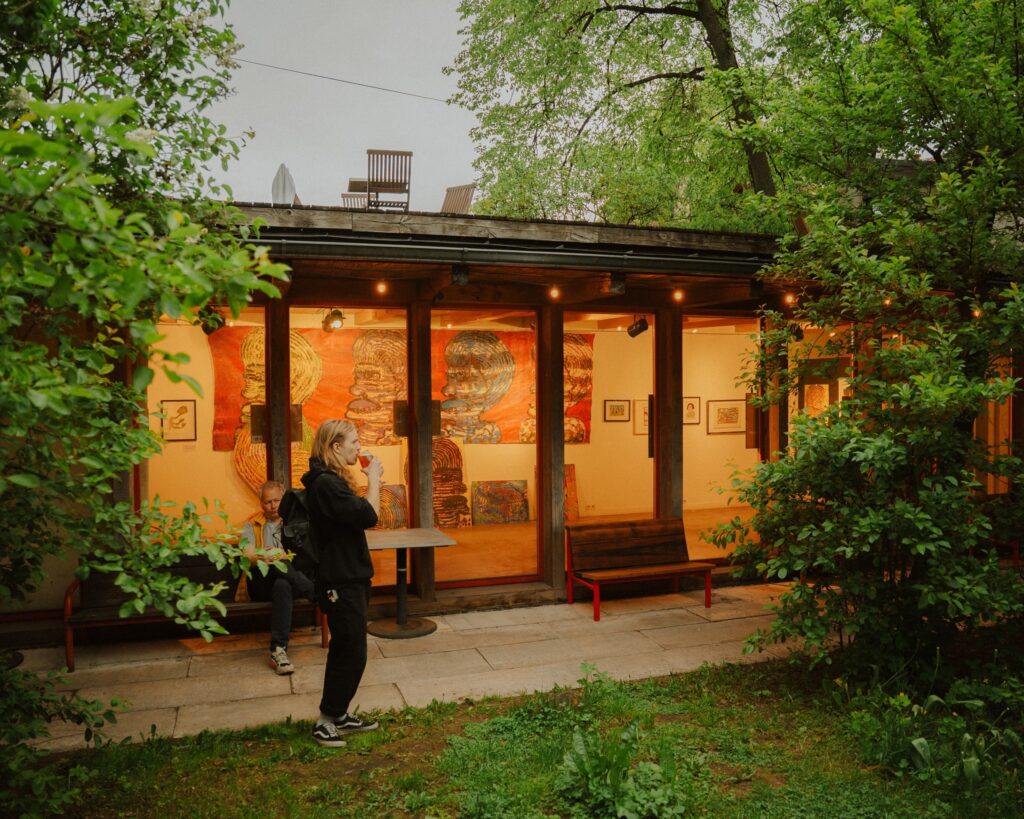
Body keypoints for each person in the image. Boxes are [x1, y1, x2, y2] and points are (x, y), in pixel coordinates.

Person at [303, 419, 383, 748]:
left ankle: (338, 714)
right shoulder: (326, 485)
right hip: (340, 580)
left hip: (350, 576)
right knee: (352, 651)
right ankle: (326, 721)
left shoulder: (330, 482)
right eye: (354, 441)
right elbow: (369, 516)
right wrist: (375, 479)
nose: (359, 447)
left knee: (346, 649)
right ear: (336, 447)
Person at [240, 480, 315, 676]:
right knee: (276, 561)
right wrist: (272, 555)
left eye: (277, 500)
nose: (273, 506)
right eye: (268, 502)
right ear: (261, 504)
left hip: (287, 583)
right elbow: (247, 557)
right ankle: (312, 591)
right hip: (260, 584)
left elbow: (306, 556)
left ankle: (278, 650)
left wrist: (272, 554)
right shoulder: (251, 525)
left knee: (283, 583)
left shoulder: (295, 524)